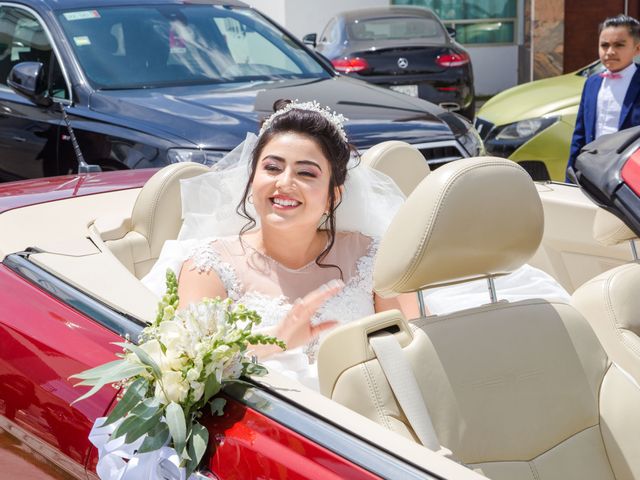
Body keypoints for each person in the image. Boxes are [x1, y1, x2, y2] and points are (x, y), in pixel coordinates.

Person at [143, 99, 419, 390]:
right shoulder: (208, 267)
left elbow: (411, 354)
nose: (284, 182)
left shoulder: (375, 258)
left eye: (306, 173)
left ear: (332, 197)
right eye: (272, 168)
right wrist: (275, 342)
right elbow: (189, 369)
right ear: (252, 182)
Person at [566, 14, 640, 181]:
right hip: (593, 171)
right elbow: (580, 133)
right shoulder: (592, 83)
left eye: (619, 45)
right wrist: (571, 178)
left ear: (637, 49)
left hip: (630, 175)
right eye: (604, 45)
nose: (610, 52)